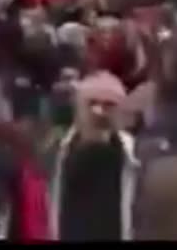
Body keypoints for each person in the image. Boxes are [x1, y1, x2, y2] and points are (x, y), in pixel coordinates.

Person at [49, 72, 138, 240]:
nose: (99, 112)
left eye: (109, 105)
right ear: (78, 108)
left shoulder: (135, 156)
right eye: (92, 103)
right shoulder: (55, 152)